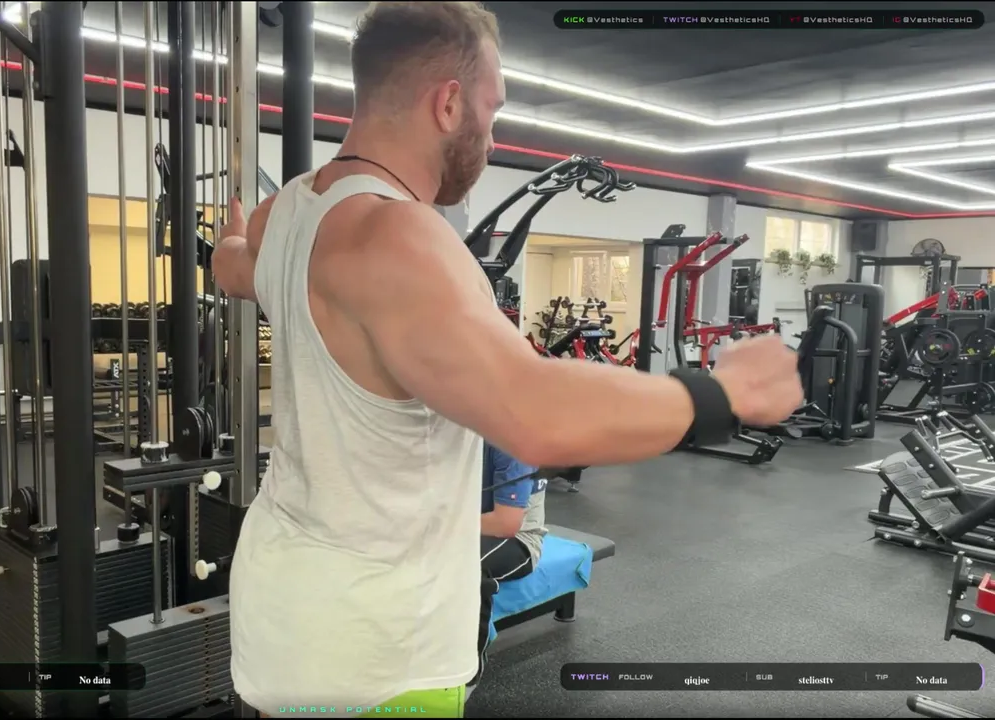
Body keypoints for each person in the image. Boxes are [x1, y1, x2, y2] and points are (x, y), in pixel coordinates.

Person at [211, 2, 803, 717]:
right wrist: (722, 395)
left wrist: (231, 240)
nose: (492, 138)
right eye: (492, 111)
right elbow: (532, 414)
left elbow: (232, 266)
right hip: (379, 650)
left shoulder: (288, 211)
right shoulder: (399, 233)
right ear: (448, 103)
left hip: (284, 611)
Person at [476, 442, 546, 684]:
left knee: (462, 566)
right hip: (468, 525)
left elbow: (505, 523)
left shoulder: (512, 444)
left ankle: (467, 674)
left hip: (518, 540)